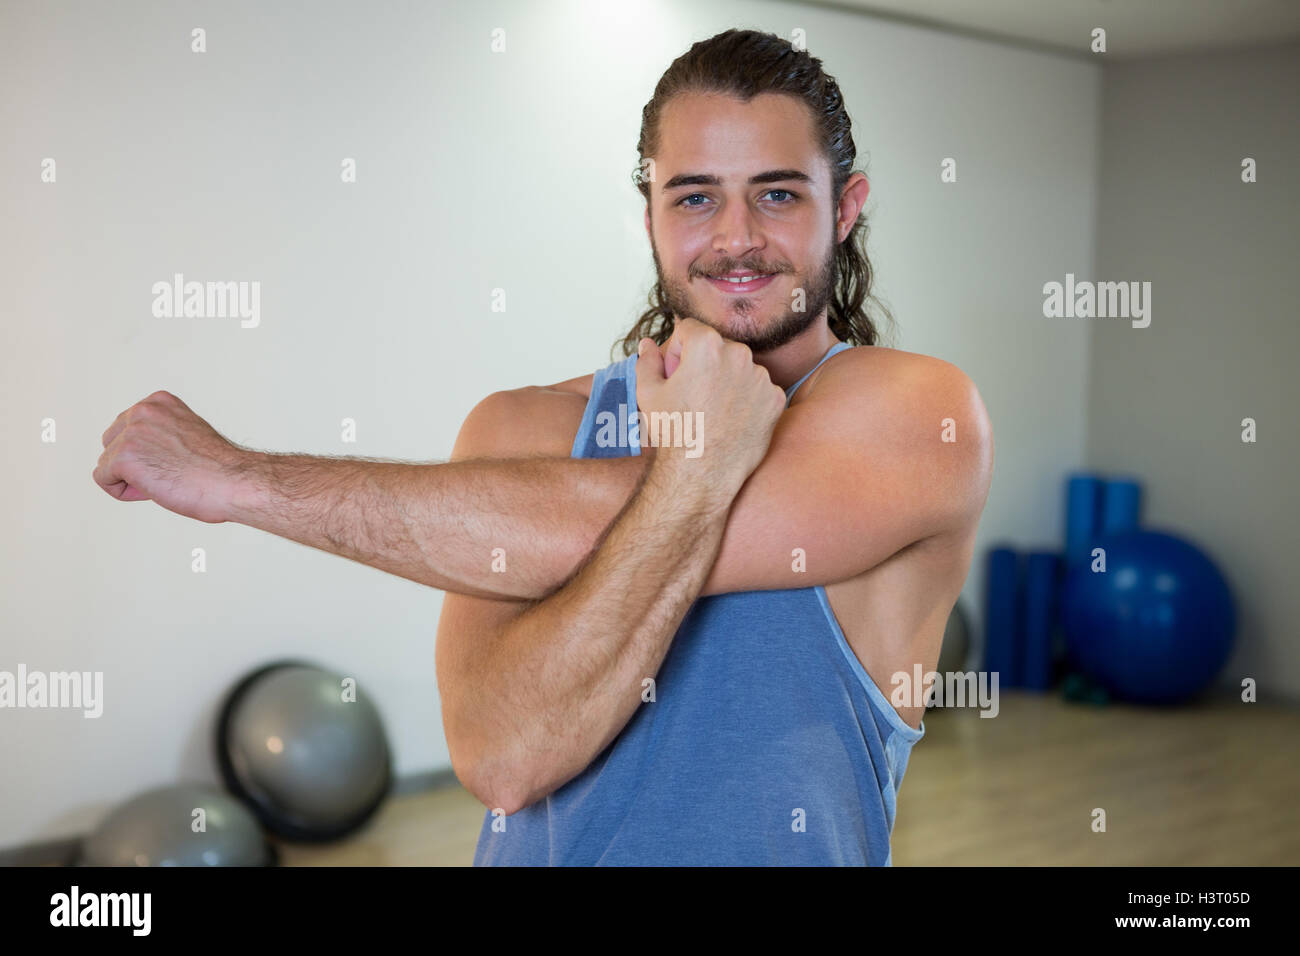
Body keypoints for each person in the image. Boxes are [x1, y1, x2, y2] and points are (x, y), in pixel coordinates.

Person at [93, 29, 992, 866]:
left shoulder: (919, 413)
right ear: (650, 215)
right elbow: (505, 759)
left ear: (846, 208)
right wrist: (702, 466)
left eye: (779, 193)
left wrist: (242, 481)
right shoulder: (521, 428)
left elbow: (572, 522)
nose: (736, 237)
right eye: (695, 197)